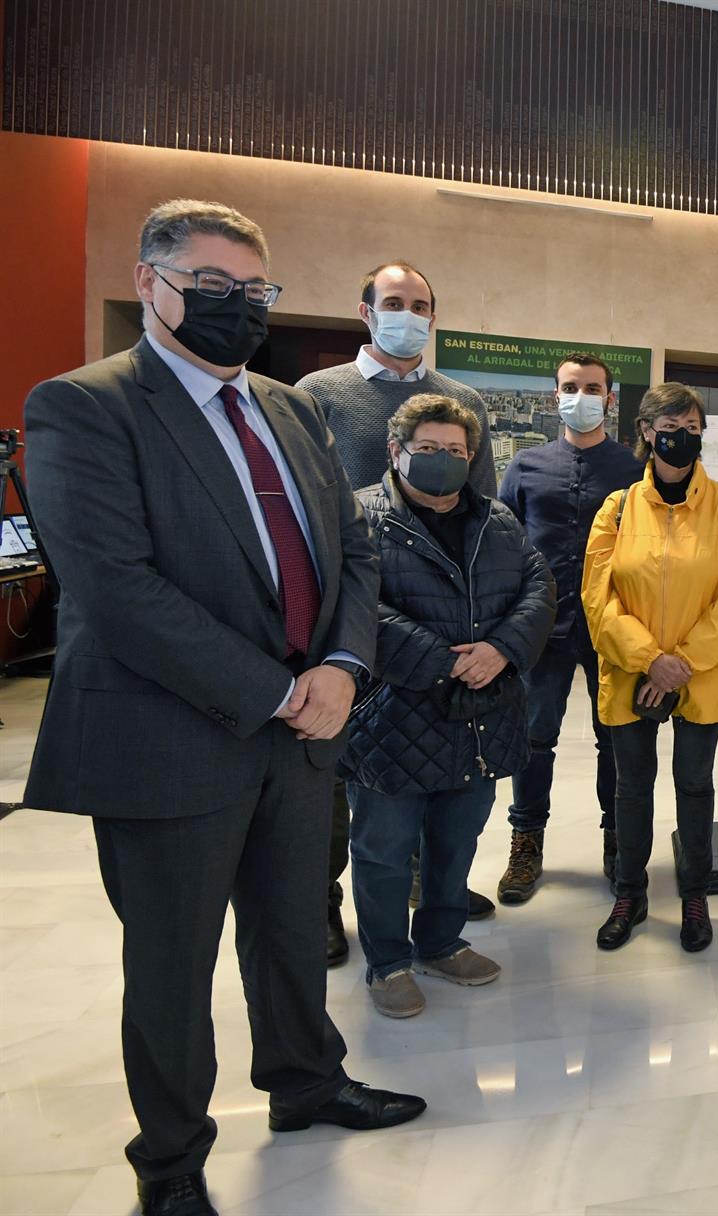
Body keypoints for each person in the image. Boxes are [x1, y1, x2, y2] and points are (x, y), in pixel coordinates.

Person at [23, 199, 425, 1216]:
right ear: (152, 282)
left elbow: (354, 552)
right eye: (211, 287)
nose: (235, 307)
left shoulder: (289, 409)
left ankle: (305, 1080)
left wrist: (339, 664)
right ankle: (170, 1162)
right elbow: (115, 590)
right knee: (172, 961)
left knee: (292, 926)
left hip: (303, 735)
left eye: (254, 291)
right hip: (168, 737)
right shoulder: (84, 406)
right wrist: (279, 691)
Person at [296, 260, 500, 955]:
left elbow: (485, 519)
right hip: (345, 617)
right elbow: (301, 507)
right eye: (393, 301)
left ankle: (425, 884)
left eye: (419, 304)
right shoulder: (319, 394)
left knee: (429, 757)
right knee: (333, 769)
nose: (406, 313)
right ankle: (319, 899)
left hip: (437, 624)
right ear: (365, 311)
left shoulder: (461, 400)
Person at [341, 395, 554, 1017]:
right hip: (393, 715)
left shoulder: (498, 519)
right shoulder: (360, 516)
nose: (444, 461)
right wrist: (446, 659)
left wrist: (501, 649)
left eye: (457, 452)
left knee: (456, 840)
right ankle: (387, 963)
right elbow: (354, 605)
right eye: (429, 449)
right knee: (383, 848)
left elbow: (539, 590)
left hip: (480, 716)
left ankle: (439, 939)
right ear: (396, 450)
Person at [583, 383, 718, 954]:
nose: (681, 437)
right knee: (632, 786)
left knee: (694, 784)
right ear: (646, 433)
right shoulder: (616, 508)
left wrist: (681, 662)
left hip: (699, 674)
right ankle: (630, 894)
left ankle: (695, 894)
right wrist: (648, 659)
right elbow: (597, 597)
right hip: (633, 670)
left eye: (691, 427)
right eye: (670, 427)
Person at [495, 354, 646, 903]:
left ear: (610, 398)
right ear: (553, 393)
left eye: (592, 388)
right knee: (535, 738)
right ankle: (526, 841)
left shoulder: (633, 470)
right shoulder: (526, 466)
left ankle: (616, 839)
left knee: (616, 736)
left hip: (614, 624)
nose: (580, 396)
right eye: (570, 386)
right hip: (542, 625)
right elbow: (503, 545)